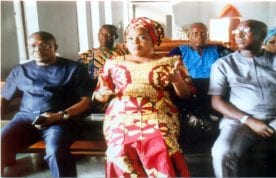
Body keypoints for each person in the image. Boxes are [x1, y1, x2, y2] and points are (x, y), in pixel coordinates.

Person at [93, 17, 194, 177]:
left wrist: (177, 81)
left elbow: (186, 95)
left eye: (142, 37)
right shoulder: (113, 62)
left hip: (158, 111)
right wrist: (101, 94)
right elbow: (100, 96)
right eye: (130, 38)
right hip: (121, 113)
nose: (135, 42)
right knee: (118, 149)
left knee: (161, 145)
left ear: (154, 40)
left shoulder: (170, 62)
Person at [208, 19, 276, 177]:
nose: (239, 34)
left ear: (262, 35)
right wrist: (248, 120)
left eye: (246, 30)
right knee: (222, 151)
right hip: (240, 123)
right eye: (237, 31)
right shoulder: (223, 64)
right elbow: (216, 100)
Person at [1, 31, 94, 177]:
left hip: (60, 121)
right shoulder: (20, 71)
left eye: (44, 45)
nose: (38, 49)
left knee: (55, 151)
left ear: (55, 46)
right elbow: (4, 98)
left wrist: (59, 115)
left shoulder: (74, 69)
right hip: (25, 119)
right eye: (33, 46)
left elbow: (86, 101)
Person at [168, 23, 232, 142]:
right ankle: (201, 120)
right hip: (190, 87)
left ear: (207, 35)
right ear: (188, 36)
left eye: (203, 33)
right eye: (195, 33)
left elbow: (236, 59)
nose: (199, 36)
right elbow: (167, 67)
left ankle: (207, 121)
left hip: (214, 86)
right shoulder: (179, 51)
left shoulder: (218, 49)